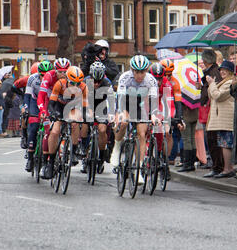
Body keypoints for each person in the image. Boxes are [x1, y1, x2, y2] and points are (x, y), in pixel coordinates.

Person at [110, 55, 160, 185]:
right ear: (132, 70)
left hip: (139, 105)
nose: (139, 75)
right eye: (137, 72)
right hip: (125, 103)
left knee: (142, 134)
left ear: (146, 71)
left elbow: (153, 100)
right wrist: (120, 113)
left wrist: (154, 115)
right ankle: (117, 146)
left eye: (142, 72)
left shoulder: (151, 80)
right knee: (124, 121)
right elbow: (120, 98)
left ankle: (138, 169)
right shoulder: (125, 77)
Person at [45, 66, 89, 178]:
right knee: (54, 132)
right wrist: (53, 113)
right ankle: (50, 163)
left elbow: (84, 108)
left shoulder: (84, 88)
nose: (76, 86)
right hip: (59, 107)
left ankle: (73, 151)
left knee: (75, 123)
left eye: (78, 83)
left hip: (72, 108)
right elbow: (51, 103)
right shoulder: (60, 84)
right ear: (67, 80)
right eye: (73, 83)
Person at [79, 61, 114, 174]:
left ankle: (102, 157)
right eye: (94, 81)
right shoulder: (85, 81)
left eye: (99, 82)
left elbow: (111, 100)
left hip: (101, 105)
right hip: (87, 104)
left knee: (102, 129)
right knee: (84, 123)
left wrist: (111, 113)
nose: (96, 84)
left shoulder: (107, 83)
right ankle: (84, 149)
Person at [206, 60, 236, 178]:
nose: (222, 72)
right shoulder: (223, 82)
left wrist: (212, 84)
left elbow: (218, 96)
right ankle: (223, 168)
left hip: (225, 118)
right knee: (220, 143)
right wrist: (210, 85)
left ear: (230, 71)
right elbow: (212, 95)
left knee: (225, 143)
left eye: (225, 70)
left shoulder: (230, 83)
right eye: (221, 70)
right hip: (219, 118)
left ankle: (227, 169)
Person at [24, 60, 53, 172]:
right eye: (42, 75)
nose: (44, 77)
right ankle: (30, 158)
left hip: (48, 102)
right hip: (35, 101)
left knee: (49, 129)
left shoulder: (52, 79)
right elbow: (27, 95)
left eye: (47, 75)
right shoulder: (32, 78)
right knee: (33, 126)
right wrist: (26, 107)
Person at [159, 59, 187, 171]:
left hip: (169, 107)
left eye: (169, 74)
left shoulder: (175, 82)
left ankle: (168, 159)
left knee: (169, 134)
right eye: (165, 74)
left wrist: (179, 118)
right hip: (157, 105)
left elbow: (178, 101)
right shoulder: (154, 79)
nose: (167, 76)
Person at [200, 49, 224, 178]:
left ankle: (217, 167)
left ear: (205, 61)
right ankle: (218, 166)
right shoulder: (212, 72)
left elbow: (213, 93)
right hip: (212, 109)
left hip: (213, 110)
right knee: (212, 139)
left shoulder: (213, 73)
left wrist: (205, 86)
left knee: (212, 139)